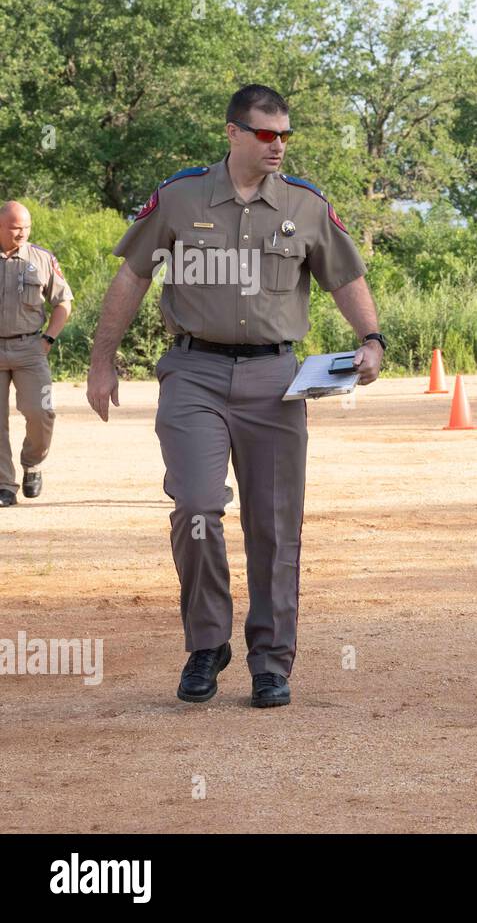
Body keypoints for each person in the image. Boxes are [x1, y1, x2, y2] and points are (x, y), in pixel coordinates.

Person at [85, 84, 387, 708]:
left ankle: (271, 663)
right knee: (195, 507)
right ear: (233, 133)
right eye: (265, 134)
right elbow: (133, 275)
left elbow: (346, 277)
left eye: (284, 136)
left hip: (275, 383)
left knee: (275, 527)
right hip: (193, 373)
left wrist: (372, 340)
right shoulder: (180, 196)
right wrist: (101, 360)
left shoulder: (305, 206)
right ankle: (206, 644)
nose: (277, 146)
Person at [0, 200, 72, 506]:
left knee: (41, 412)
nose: (22, 233)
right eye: (16, 228)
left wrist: (48, 340)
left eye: (26, 227)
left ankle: (32, 463)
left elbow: (64, 302)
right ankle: (4, 484)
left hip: (30, 348)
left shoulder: (41, 258)